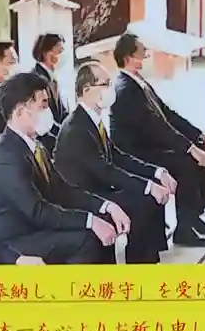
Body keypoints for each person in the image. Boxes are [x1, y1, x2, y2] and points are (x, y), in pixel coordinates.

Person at [0, 70, 117, 266]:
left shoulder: (35, 146)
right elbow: (38, 211)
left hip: (33, 228)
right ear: (19, 113)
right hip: (14, 242)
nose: (48, 111)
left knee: (103, 221)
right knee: (86, 239)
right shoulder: (6, 158)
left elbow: (62, 189)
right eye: (43, 106)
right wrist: (89, 220)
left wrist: (105, 206)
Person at [54, 61, 173, 263]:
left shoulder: (92, 120)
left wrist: (156, 173)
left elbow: (117, 156)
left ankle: (148, 261)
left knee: (147, 196)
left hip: (99, 188)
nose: (111, 89)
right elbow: (105, 170)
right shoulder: (76, 128)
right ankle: (139, 266)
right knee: (141, 201)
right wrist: (147, 186)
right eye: (105, 84)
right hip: (83, 197)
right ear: (87, 90)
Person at [111, 31, 205, 244]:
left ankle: (193, 218)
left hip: (151, 144)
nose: (147, 55)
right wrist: (189, 149)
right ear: (128, 57)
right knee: (185, 161)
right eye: (142, 52)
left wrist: (201, 138)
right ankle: (184, 230)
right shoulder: (125, 88)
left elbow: (167, 115)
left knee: (201, 150)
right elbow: (156, 126)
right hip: (135, 152)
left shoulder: (139, 81)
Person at [30, 30, 68, 131]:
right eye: (60, 51)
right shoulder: (36, 79)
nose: (63, 55)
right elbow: (44, 120)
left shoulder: (52, 78)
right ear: (47, 54)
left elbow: (62, 113)